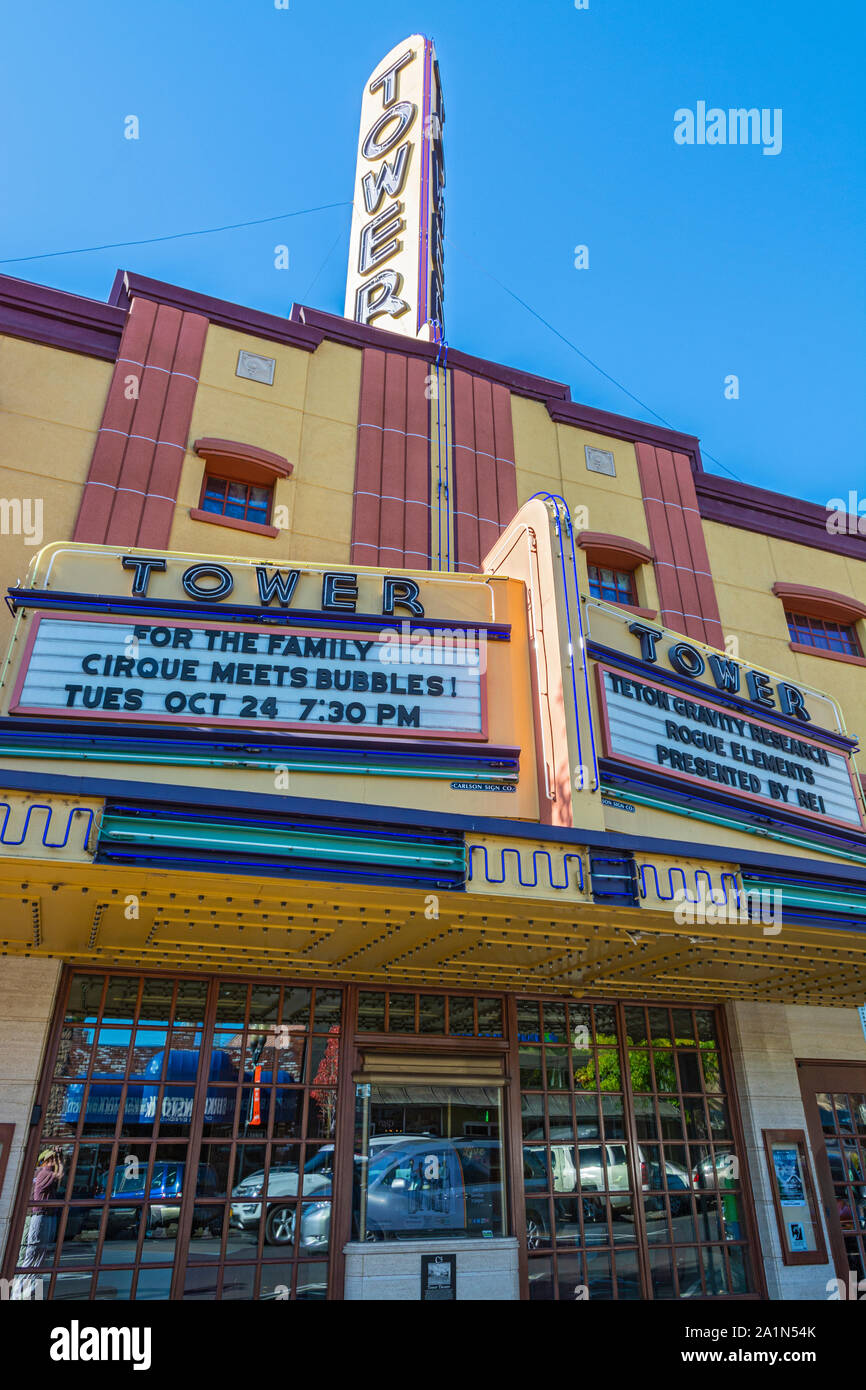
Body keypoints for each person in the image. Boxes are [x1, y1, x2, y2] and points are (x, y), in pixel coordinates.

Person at [12, 1148, 65, 1299]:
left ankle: (26, 1291)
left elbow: (59, 1179)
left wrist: (58, 1158)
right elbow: (60, 1175)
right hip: (37, 1215)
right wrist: (58, 1161)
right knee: (31, 1253)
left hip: (38, 1214)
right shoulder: (43, 1173)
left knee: (34, 1253)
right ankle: (18, 1292)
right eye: (52, 1160)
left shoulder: (38, 1173)